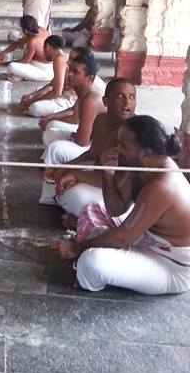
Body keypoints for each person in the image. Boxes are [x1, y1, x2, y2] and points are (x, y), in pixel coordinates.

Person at [54, 115, 190, 295]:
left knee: (93, 261)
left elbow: (122, 238)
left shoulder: (162, 186)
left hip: (171, 267)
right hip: (144, 241)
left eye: (123, 146)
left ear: (145, 154)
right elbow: (115, 209)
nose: (117, 150)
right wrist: (108, 174)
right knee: (94, 218)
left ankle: (103, 267)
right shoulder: (141, 166)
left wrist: (74, 248)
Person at [50, 77, 137, 220]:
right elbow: (92, 154)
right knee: (60, 177)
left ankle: (85, 220)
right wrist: (65, 167)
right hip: (100, 177)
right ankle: (80, 217)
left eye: (132, 97)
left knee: (76, 195)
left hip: (119, 195)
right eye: (120, 96)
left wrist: (76, 175)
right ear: (106, 101)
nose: (127, 102)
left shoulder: (135, 133)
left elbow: (118, 179)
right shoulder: (101, 120)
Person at [40, 49, 105, 169]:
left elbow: (82, 142)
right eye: (70, 70)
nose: (69, 74)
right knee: (51, 132)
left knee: (54, 149)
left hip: (97, 151)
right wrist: (51, 118)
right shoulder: (84, 91)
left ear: (89, 78)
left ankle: (52, 170)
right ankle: (54, 165)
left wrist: (75, 137)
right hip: (88, 141)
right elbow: (75, 116)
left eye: (76, 72)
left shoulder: (91, 99)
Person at [20, 36, 71, 115]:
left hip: (71, 99)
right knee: (40, 91)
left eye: (43, 48)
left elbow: (57, 92)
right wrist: (31, 96)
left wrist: (31, 101)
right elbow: (52, 84)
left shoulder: (59, 59)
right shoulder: (64, 56)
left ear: (47, 47)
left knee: (35, 108)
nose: (43, 53)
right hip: (65, 93)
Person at [0, 15, 49, 81]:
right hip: (42, 65)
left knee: (11, 66)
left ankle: (20, 76)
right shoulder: (41, 30)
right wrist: (4, 52)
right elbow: (19, 42)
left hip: (43, 71)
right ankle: (19, 76)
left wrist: (2, 64)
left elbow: (24, 62)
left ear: (25, 31)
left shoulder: (33, 42)